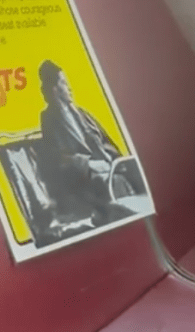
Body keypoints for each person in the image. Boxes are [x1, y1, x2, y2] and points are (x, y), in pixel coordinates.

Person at [38, 60, 135, 226]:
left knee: (134, 173)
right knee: (115, 183)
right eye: (64, 83)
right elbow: (58, 158)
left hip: (108, 167)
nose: (69, 88)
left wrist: (112, 160)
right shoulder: (50, 117)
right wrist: (92, 165)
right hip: (84, 178)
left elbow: (105, 141)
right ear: (54, 90)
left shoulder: (82, 114)